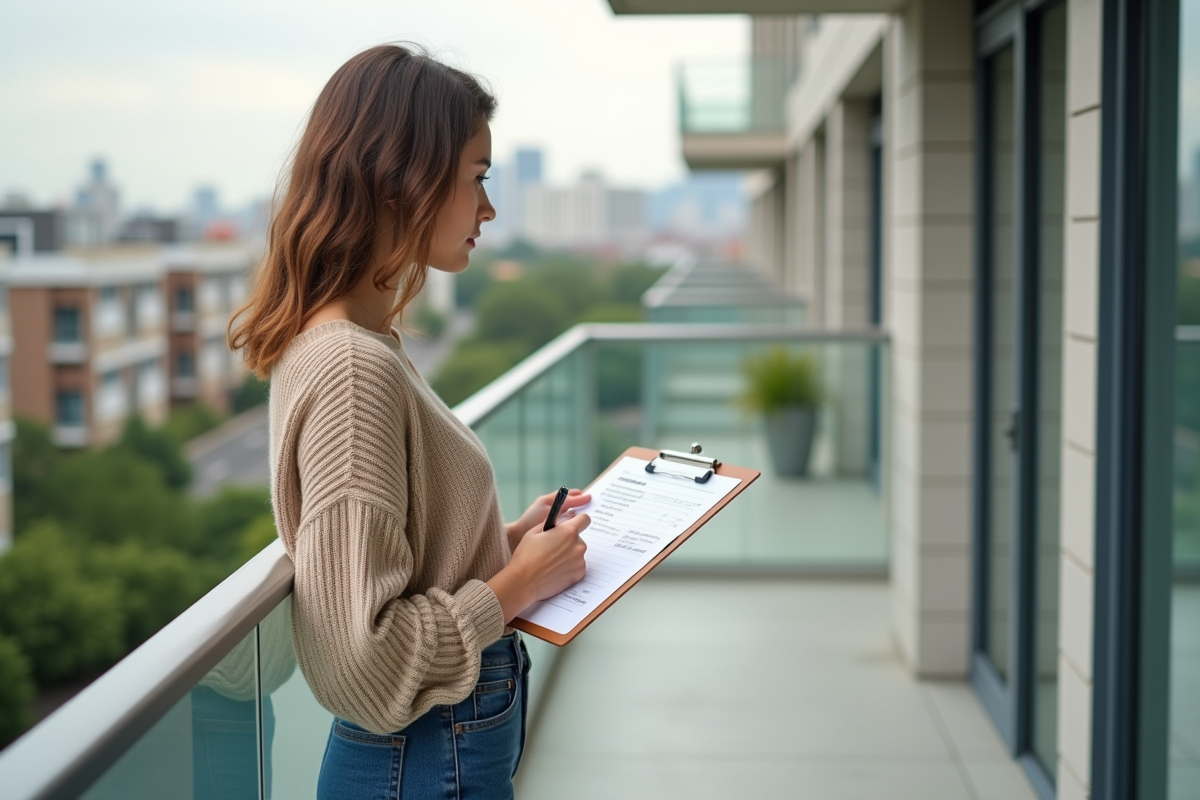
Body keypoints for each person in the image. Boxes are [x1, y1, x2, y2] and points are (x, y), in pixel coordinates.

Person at [228, 44, 593, 799]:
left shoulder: (357, 346)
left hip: (425, 760)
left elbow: (399, 552)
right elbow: (361, 664)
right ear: (403, 180)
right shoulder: (352, 369)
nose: (487, 210)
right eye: (477, 179)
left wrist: (502, 545)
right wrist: (515, 587)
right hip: (420, 762)